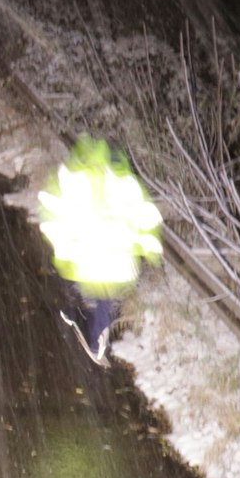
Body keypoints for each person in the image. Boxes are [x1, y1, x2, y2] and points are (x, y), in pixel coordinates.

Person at [36, 135, 163, 365]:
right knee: (106, 295)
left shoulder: (73, 176)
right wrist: (151, 248)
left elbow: (53, 208)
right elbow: (146, 216)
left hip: (84, 258)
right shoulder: (127, 182)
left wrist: (56, 238)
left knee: (75, 279)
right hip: (117, 260)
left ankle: (74, 311)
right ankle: (98, 336)